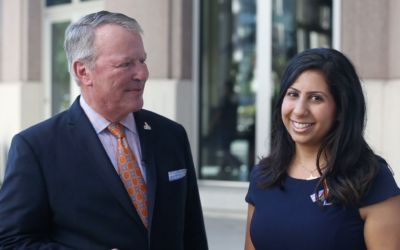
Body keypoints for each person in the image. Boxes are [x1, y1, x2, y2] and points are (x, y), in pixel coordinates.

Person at [0, 11, 208, 250]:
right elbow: (12, 242)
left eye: (143, 61)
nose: (142, 74)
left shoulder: (172, 134)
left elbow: (192, 234)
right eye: (126, 64)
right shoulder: (36, 147)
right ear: (83, 72)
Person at [245, 48, 400, 250]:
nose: (299, 110)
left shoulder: (370, 179)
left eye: (316, 98)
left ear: (342, 110)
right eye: (293, 94)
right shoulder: (263, 176)